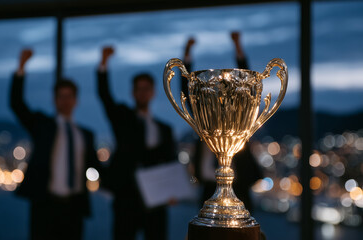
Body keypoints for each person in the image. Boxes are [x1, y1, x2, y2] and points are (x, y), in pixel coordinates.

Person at [10, 49, 101, 240]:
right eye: (61, 96)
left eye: (69, 96)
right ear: (54, 100)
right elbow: (17, 104)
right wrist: (21, 68)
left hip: (74, 209)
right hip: (45, 206)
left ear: (76, 100)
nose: (65, 101)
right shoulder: (42, 125)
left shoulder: (86, 135)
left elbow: (98, 168)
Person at [97, 46, 175, 240]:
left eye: (146, 88)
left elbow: (171, 160)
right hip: (126, 196)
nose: (142, 93)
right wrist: (104, 63)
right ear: (133, 92)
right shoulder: (123, 117)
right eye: (139, 89)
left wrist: (172, 190)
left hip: (157, 199)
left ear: (153, 92)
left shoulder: (164, 129)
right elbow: (105, 97)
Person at [182, 32, 262, 213]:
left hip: (239, 190)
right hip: (207, 193)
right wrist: (186, 55)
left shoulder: (237, 117)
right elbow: (185, 93)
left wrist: (238, 48)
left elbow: (247, 88)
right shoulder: (204, 118)